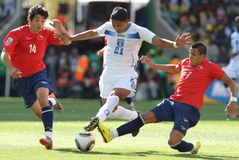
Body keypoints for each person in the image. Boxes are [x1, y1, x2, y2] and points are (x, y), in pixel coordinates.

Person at [61, 6, 191, 133]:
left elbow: (158, 41)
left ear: (127, 21)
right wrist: (72, 38)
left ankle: (97, 120)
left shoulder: (139, 31)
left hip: (127, 73)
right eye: (114, 25)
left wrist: (175, 44)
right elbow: (92, 33)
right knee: (110, 109)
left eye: (120, 25)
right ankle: (135, 116)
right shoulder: (108, 26)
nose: (117, 28)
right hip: (108, 73)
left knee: (114, 96)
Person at [97, 42, 239, 154]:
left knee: (173, 142)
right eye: (189, 54)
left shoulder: (210, 67)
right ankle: (112, 135)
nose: (190, 57)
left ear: (203, 57)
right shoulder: (185, 62)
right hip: (172, 102)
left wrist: (233, 101)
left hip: (189, 109)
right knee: (144, 117)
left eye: (194, 55)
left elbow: (230, 82)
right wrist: (153, 65)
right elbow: (174, 68)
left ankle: (191, 148)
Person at [1, 5, 71, 150]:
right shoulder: (17, 33)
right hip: (21, 79)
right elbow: (4, 53)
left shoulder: (46, 33)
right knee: (41, 114)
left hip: (39, 73)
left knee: (42, 98)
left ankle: (49, 138)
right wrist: (11, 68)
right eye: (37, 20)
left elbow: (67, 41)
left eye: (43, 21)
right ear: (29, 20)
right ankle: (52, 100)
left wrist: (61, 28)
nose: (40, 24)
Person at [225, 16, 239, 87]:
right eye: (237, 22)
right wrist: (230, 53)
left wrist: (237, 53)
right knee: (226, 82)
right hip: (233, 61)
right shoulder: (233, 35)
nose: (238, 24)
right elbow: (233, 47)